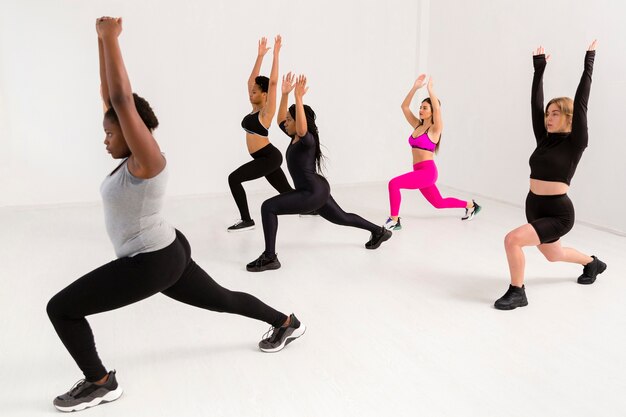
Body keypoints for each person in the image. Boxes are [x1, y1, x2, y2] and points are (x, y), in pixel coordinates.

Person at [46, 18, 304, 412]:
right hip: (168, 248)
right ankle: (286, 322)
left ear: (136, 131)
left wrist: (111, 39)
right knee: (222, 298)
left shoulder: (148, 162)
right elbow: (111, 97)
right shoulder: (133, 157)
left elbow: (120, 99)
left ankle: (100, 382)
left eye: (111, 134)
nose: (105, 139)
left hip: (151, 261)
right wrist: (100, 42)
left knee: (61, 308)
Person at [495, 41, 606, 310]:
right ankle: (592, 264)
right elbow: (535, 104)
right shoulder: (544, 139)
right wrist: (539, 69)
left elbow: (582, 103)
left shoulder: (575, 141)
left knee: (512, 240)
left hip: (558, 213)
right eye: (548, 114)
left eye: (555, 114)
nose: (548, 118)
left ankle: (517, 292)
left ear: (568, 118)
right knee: (554, 255)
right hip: (534, 206)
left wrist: (588, 61)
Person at [246, 74, 392, 272]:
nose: (285, 123)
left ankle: (270, 257)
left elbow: (302, 127)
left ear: (299, 122)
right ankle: (379, 232)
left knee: (268, 207)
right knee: (342, 217)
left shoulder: (307, 140)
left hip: (311, 192)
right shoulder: (294, 136)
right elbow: (281, 118)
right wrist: (285, 94)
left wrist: (298, 97)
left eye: (290, 120)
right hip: (317, 188)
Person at [383, 75, 481, 231]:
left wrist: (430, 90)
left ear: (432, 111)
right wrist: (415, 87)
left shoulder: (435, 130)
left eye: (425, 108)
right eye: (420, 107)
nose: (421, 110)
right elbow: (405, 107)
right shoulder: (417, 125)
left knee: (394, 184)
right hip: (419, 172)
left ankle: (394, 220)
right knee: (439, 203)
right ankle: (471, 205)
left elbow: (438, 109)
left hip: (427, 172)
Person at [227, 36, 293, 232]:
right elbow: (250, 81)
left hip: (268, 157)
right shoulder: (254, 108)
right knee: (288, 193)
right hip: (265, 157)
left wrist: (275, 55)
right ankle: (314, 207)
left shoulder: (266, 112)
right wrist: (260, 56)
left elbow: (272, 84)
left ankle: (247, 220)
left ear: (264, 94)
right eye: (251, 91)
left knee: (234, 178)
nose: (250, 93)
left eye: (255, 92)